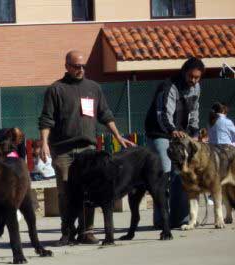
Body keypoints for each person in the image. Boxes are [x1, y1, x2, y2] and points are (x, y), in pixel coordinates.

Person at [39, 50, 134, 246]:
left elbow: (105, 114)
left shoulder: (93, 88)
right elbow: (46, 119)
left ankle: (86, 231)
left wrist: (118, 136)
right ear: (67, 66)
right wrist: (44, 143)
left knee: (89, 190)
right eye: (76, 66)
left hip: (87, 151)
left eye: (83, 66)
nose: (80, 70)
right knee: (66, 192)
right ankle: (67, 232)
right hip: (63, 151)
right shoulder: (56, 89)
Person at [145, 57, 204, 228]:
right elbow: (163, 113)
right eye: (191, 77)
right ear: (184, 72)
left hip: (179, 135)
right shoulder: (169, 86)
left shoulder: (196, 88)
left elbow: (194, 111)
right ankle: (161, 219)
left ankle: (180, 219)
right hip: (160, 133)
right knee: (163, 173)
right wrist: (172, 130)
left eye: (197, 78)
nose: (193, 81)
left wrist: (193, 132)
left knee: (181, 174)